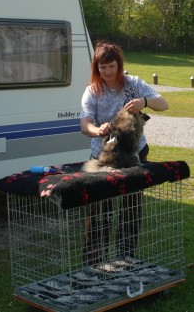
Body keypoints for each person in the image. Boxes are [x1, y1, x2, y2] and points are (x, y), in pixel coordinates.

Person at [80, 40, 169, 266]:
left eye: (112, 66)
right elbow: (85, 125)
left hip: (133, 154)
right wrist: (97, 129)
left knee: (131, 206)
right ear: (96, 68)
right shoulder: (92, 91)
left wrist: (144, 101)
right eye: (103, 67)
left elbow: (163, 104)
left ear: (119, 66)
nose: (107, 71)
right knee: (100, 209)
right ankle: (95, 260)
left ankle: (125, 256)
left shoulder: (133, 84)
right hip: (104, 155)